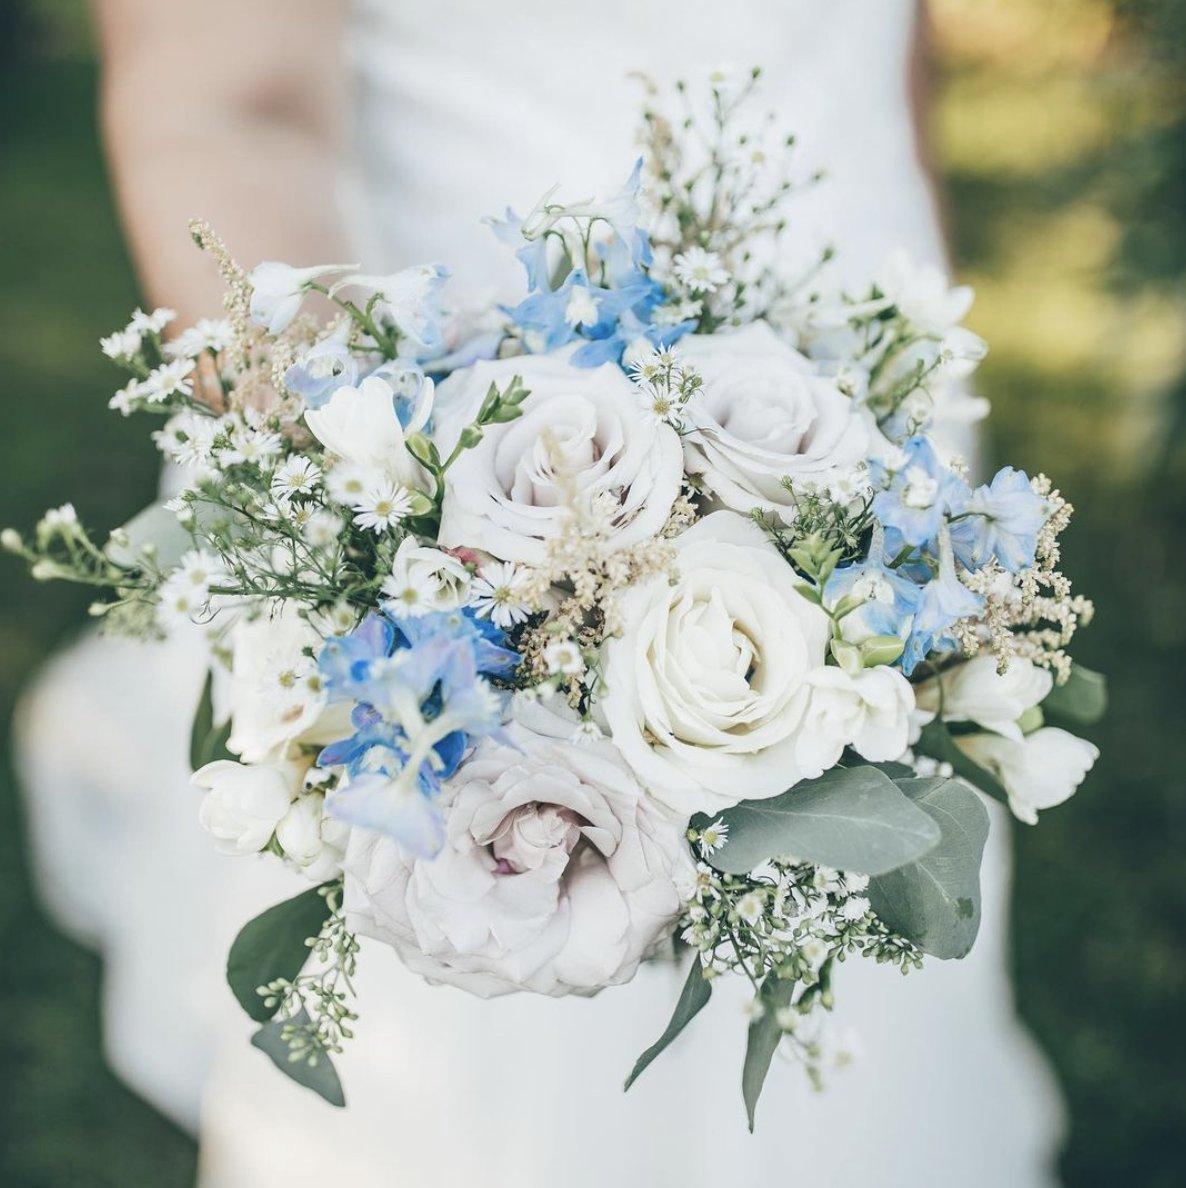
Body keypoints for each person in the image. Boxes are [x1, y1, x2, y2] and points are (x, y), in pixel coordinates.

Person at [18, 1, 1066, 1183]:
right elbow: (225, 102)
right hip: (495, 469)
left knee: (858, 973)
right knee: (506, 975)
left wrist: (903, 356)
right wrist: (370, 506)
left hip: (860, 419)